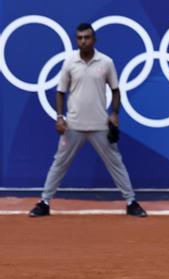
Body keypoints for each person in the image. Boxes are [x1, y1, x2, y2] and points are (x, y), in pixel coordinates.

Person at [28, 23, 146, 218]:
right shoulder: (69, 62)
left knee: (116, 163)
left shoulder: (106, 62)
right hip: (73, 125)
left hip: (100, 125)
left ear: (94, 39)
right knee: (59, 164)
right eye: (80, 38)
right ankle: (45, 202)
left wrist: (115, 113)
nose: (83, 41)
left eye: (87, 37)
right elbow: (60, 92)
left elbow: (116, 91)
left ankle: (131, 202)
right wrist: (59, 117)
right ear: (77, 40)